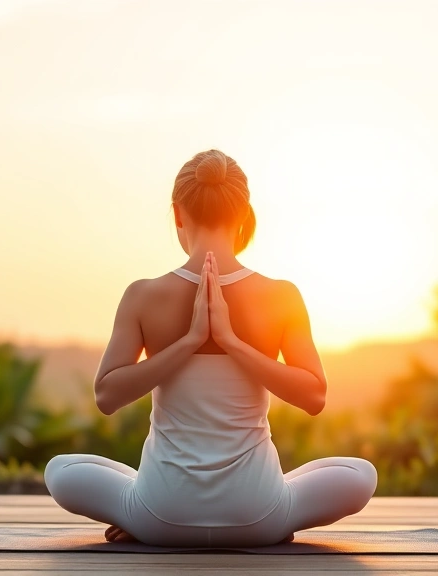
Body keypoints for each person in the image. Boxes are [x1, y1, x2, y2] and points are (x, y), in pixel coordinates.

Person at [45, 149, 377, 547]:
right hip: (259, 517)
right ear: (243, 213)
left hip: (159, 516)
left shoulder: (143, 296)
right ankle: (272, 510)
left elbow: (106, 395)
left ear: (178, 213)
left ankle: (139, 505)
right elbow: (314, 395)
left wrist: (197, 342)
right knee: (361, 475)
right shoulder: (280, 296)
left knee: (60, 470)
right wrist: (226, 343)